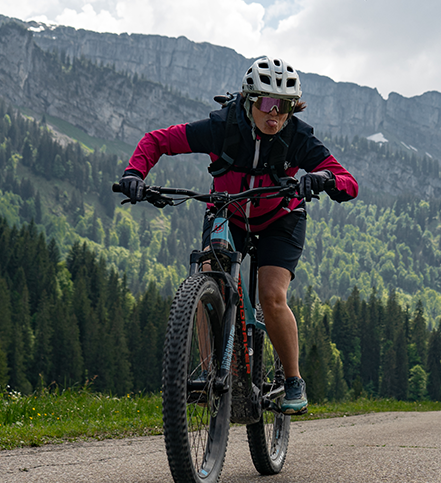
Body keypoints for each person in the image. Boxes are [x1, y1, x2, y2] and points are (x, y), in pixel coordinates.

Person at [118, 56, 359, 414]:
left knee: (272, 295)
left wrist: (323, 179)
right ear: (249, 100)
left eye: (285, 106)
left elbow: (349, 183)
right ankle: (210, 373)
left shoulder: (298, 138)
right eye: (266, 103)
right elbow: (158, 141)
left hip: (281, 218)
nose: (274, 114)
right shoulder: (222, 127)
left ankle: (292, 380)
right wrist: (135, 173)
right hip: (226, 212)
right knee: (206, 278)